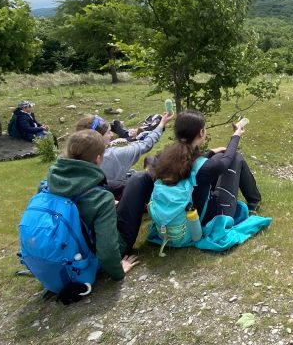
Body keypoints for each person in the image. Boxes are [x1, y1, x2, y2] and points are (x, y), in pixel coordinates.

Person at [46, 129, 139, 282]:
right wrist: (118, 271)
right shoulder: (101, 198)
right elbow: (107, 251)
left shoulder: (49, 183)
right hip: (85, 257)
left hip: (58, 254)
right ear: (97, 158)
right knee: (138, 180)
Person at [153, 110, 262, 225]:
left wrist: (211, 152)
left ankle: (254, 200)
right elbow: (228, 160)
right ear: (201, 132)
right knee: (235, 157)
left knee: (219, 155)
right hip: (206, 220)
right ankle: (253, 201)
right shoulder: (206, 167)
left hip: (178, 214)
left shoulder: (164, 157)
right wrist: (236, 136)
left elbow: (190, 162)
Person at [76, 112, 174, 198]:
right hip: (121, 196)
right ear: (97, 137)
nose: (112, 135)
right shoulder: (114, 154)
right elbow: (145, 145)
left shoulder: (77, 155)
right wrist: (161, 125)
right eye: (108, 132)